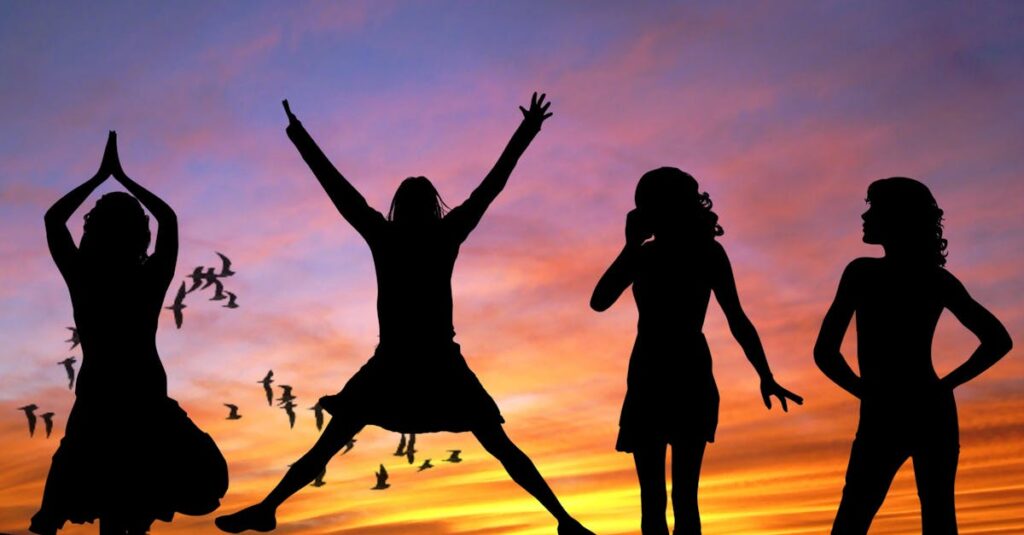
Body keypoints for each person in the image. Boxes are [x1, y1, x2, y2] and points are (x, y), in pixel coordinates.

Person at [216, 93, 593, 534]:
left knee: (331, 444)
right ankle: (564, 519)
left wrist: (298, 135)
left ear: (402, 206)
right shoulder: (441, 233)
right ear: (433, 206)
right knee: (499, 446)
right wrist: (527, 131)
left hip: (404, 362)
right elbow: (491, 186)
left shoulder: (387, 234)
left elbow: (338, 189)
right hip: (426, 362)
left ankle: (269, 507)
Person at [32, 132, 228, 535]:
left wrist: (101, 177)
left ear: (94, 230)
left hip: (108, 391)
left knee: (113, 497)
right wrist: (123, 178)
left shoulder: (84, 276)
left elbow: (53, 220)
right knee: (133, 502)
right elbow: (169, 220)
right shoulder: (148, 276)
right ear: (140, 234)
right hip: (138, 391)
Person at [591, 167, 802, 535]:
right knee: (673, 499)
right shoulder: (676, 254)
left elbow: (738, 319)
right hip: (667, 372)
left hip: (665, 371)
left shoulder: (689, 254)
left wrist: (765, 374)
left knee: (664, 499)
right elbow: (599, 301)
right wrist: (630, 248)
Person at [815, 177, 1012, 534]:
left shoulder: (863, 273)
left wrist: (868, 393)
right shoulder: (934, 279)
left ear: (897, 218)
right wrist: (944, 386)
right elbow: (998, 340)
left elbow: (826, 353)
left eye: (873, 208)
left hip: (890, 411)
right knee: (935, 517)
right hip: (928, 407)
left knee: (855, 517)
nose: (864, 215)